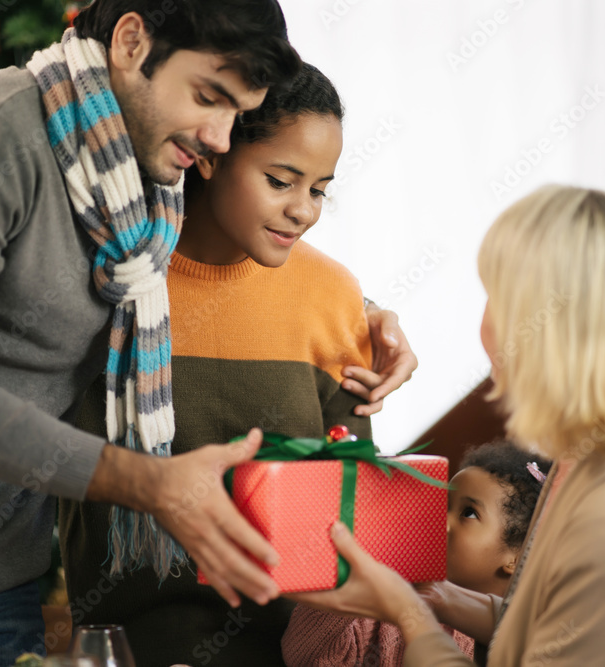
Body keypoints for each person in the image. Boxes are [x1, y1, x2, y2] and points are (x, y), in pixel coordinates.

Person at [0, 8, 418, 664]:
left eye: (238, 111)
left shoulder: (150, 183)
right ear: (132, 42)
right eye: (208, 96)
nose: (222, 138)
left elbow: (222, 266)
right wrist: (156, 483)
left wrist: (363, 313)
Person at [289, 185, 605, 666]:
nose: (485, 324)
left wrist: (406, 613)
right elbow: (564, 626)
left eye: (496, 296)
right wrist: (436, 597)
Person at [60, 63, 378, 667]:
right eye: (281, 180)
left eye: (319, 189)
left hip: (296, 651)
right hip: (126, 646)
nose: (303, 211)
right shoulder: (116, 279)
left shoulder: (333, 294)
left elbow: (354, 502)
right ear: (211, 155)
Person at [281, 441, 552, 666]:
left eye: (468, 512)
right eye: (442, 502)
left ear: (518, 557)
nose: (438, 518)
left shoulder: (528, 648)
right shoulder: (382, 603)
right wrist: (346, 573)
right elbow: (306, 656)